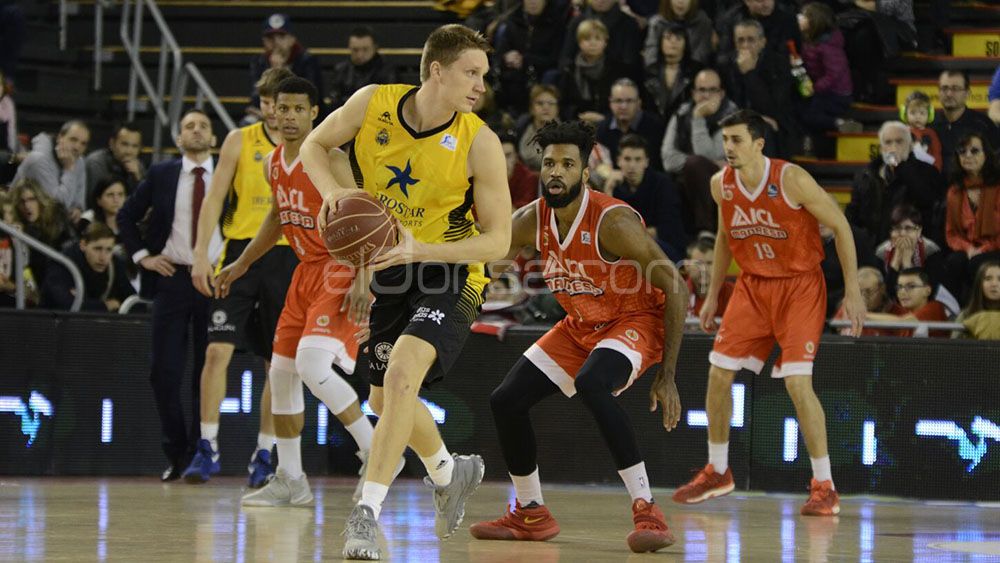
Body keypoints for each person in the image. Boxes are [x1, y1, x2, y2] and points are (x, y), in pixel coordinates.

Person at [298, 24, 512, 560]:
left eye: (484, 75)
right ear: (436, 71)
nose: (480, 85)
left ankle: (365, 514)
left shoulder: (479, 142)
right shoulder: (372, 104)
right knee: (380, 396)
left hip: (450, 270)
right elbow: (314, 144)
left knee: (399, 377)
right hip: (392, 269)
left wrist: (422, 250)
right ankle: (449, 471)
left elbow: (500, 241)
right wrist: (335, 194)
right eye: (471, 72)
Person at [469, 120, 685, 552]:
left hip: (635, 319)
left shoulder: (614, 221)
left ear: (584, 174)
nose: (555, 171)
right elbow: (485, 255)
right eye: (549, 163)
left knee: (591, 382)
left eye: (567, 164)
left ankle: (648, 510)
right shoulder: (532, 219)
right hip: (580, 325)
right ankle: (530, 511)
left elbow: (675, 285)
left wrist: (668, 374)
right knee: (505, 400)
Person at [672, 109, 866, 516]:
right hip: (752, 286)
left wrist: (852, 290)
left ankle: (824, 485)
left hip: (799, 286)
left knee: (797, 384)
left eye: (737, 139)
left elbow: (842, 227)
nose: (729, 148)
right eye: (725, 139)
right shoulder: (719, 184)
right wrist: (712, 295)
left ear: (759, 143)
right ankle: (718, 470)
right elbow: (726, 235)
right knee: (718, 373)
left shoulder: (790, 179)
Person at [215, 77, 378, 507]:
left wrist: (363, 277)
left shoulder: (331, 156)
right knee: (281, 375)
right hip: (304, 272)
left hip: (338, 268)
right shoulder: (272, 161)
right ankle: (291, 478)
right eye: (280, 108)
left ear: (313, 113)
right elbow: (275, 219)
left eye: (296, 109)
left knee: (310, 365)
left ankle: (375, 448)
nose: (286, 116)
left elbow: (363, 214)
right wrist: (241, 263)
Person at [184, 67, 296, 487]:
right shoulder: (238, 140)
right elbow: (213, 201)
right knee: (216, 352)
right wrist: (200, 253)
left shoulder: (306, 144)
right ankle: (207, 446)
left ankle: (264, 453)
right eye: (266, 101)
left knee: (276, 365)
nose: (272, 110)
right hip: (236, 253)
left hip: (285, 257)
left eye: (279, 102)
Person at [117, 109, 223, 481]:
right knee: (163, 370)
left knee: (207, 371)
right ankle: (175, 452)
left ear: (214, 138)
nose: (196, 130)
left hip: (215, 278)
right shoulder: (162, 173)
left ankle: (200, 453)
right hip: (173, 278)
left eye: (203, 126)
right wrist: (143, 256)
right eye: (188, 126)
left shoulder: (228, 172)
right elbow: (126, 216)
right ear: (178, 138)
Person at [661, 68, 738, 236]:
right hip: (687, 180)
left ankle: (707, 231)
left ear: (722, 93)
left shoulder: (732, 118)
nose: (706, 95)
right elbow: (668, 159)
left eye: (712, 90)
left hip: (723, 182)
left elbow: (709, 156)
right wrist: (694, 164)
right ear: (694, 93)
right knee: (689, 168)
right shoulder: (681, 114)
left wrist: (698, 118)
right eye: (702, 90)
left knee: (697, 165)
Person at [845, 121, 945, 247]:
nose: (893, 147)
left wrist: (900, 167)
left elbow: (926, 200)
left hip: (911, 246)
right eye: (888, 142)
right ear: (881, 148)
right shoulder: (866, 175)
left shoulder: (928, 171)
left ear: (910, 146)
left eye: (899, 141)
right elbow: (853, 213)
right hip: (871, 246)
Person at [719, 18, 800, 158]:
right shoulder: (725, 65)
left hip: (776, 126)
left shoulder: (779, 65)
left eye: (751, 40)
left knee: (761, 131)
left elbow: (774, 108)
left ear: (762, 42)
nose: (745, 45)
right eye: (740, 40)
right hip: (735, 120)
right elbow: (726, 102)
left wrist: (750, 75)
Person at [606, 134, 687, 261]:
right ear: (618, 161)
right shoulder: (614, 186)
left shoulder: (662, 184)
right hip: (626, 250)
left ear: (646, 162)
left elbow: (669, 228)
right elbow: (607, 229)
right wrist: (608, 190)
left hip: (663, 249)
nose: (632, 165)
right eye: (627, 159)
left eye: (638, 159)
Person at [941, 134, 1000, 302]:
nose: (967, 155)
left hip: (995, 247)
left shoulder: (997, 186)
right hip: (970, 249)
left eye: (974, 151)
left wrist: (984, 249)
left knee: (977, 263)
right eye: (962, 151)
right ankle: (952, 313)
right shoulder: (955, 191)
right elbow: (951, 233)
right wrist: (968, 249)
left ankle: (980, 311)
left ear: (986, 155)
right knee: (954, 262)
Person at [492, 0, 570, 112]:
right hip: (512, 72)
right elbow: (499, 54)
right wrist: (506, 57)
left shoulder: (556, 24)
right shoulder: (513, 20)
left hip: (540, 73)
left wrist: (525, 59)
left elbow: (555, 59)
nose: (533, 2)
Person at [41, 222, 134, 312]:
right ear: (83, 245)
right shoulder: (62, 264)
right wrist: (107, 305)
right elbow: (67, 305)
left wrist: (86, 303)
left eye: (109, 250)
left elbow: (133, 302)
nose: (103, 257)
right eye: (97, 249)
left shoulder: (114, 264)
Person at [557, 19, 636, 125]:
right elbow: (563, 104)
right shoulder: (569, 70)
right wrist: (579, 115)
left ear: (605, 42)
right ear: (579, 42)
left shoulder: (618, 69)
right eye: (587, 39)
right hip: (577, 124)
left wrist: (605, 117)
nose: (592, 43)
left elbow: (625, 102)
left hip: (611, 122)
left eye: (597, 38)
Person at [796, 3, 853, 145]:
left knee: (810, 114)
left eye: (804, 15)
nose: (799, 18)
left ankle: (839, 123)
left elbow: (834, 74)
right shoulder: (807, 41)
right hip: (820, 90)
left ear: (814, 21)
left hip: (836, 94)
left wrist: (815, 88)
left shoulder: (828, 46)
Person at [13, 120, 90, 224]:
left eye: (83, 144)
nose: (77, 147)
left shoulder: (79, 161)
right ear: (60, 138)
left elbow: (79, 198)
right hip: (20, 221)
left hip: (51, 224)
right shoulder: (39, 161)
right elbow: (57, 206)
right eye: (73, 140)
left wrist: (78, 209)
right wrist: (69, 170)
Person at [248, 14, 323, 118]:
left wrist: (280, 72)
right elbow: (256, 99)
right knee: (248, 121)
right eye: (270, 38)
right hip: (266, 115)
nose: (276, 42)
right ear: (264, 41)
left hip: (301, 114)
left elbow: (311, 97)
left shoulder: (307, 60)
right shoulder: (259, 61)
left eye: (281, 37)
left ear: (292, 39)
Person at [931, 70, 1000, 177]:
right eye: (944, 88)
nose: (949, 94)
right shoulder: (928, 124)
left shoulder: (983, 125)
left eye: (955, 89)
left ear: (967, 93)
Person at [9, 178, 73, 286]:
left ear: (40, 199)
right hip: (35, 284)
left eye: (32, 199)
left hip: (60, 278)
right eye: (22, 201)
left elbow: (68, 250)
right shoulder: (18, 226)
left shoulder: (57, 218)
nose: (27, 206)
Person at [595, 79, 666, 169]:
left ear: (639, 103)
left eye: (629, 101)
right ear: (610, 103)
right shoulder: (601, 129)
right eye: (618, 101)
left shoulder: (656, 127)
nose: (623, 106)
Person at [875, 203, 945, 292]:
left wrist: (907, 263)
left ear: (919, 231)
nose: (903, 234)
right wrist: (896, 260)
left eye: (908, 228)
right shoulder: (881, 252)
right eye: (897, 228)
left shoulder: (931, 251)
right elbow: (886, 293)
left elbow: (930, 291)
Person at [643, 22, 703, 123]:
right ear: (660, 43)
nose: (673, 42)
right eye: (668, 38)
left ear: (685, 44)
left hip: (686, 123)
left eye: (678, 38)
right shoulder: (650, 71)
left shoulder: (696, 71)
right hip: (654, 124)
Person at [328, 26, 399, 112]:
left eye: (365, 49)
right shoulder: (341, 70)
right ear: (349, 48)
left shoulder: (387, 71)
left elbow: (389, 102)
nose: (360, 55)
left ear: (375, 47)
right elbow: (334, 101)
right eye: (355, 50)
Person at [834, 266, 906, 337]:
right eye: (859, 292)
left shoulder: (899, 313)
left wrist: (863, 315)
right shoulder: (848, 308)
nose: (863, 297)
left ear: (882, 289)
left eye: (868, 292)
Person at [642, 0, 715, 69]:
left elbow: (701, 58)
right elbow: (651, 58)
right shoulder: (657, 23)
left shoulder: (703, 22)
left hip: (692, 75)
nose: (680, 2)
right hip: (660, 74)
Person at [85, 122, 145, 196]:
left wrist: (138, 178)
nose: (129, 151)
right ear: (112, 144)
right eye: (124, 144)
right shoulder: (96, 162)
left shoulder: (138, 167)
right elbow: (99, 200)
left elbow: (146, 202)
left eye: (135, 146)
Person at [682, 236, 733, 320]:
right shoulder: (675, 294)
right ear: (687, 266)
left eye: (709, 263)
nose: (704, 269)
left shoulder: (734, 294)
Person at [890, 267, 950, 337]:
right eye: (899, 287)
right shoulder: (903, 310)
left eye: (911, 286)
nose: (902, 292)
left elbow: (906, 322)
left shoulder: (935, 308)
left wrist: (873, 317)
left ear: (927, 291)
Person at [516, 84, 561, 171]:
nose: (546, 107)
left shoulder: (567, 134)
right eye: (540, 103)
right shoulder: (521, 130)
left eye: (551, 103)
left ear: (557, 109)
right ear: (531, 109)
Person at [953, 261, 1000, 340]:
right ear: (979, 284)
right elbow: (953, 348)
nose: (994, 284)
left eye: (999, 279)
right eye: (988, 279)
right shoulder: (965, 316)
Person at [903, 91, 942, 171]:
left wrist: (936, 171)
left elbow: (937, 155)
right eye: (913, 113)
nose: (918, 117)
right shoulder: (902, 132)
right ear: (905, 114)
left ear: (929, 115)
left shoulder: (931, 134)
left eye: (922, 113)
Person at [502, 131, 540, 209]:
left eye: (508, 155)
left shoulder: (528, 178)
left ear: (516, 157)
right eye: (498, 155)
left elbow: (523, 213)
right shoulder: (483, 177)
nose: (503, 161)